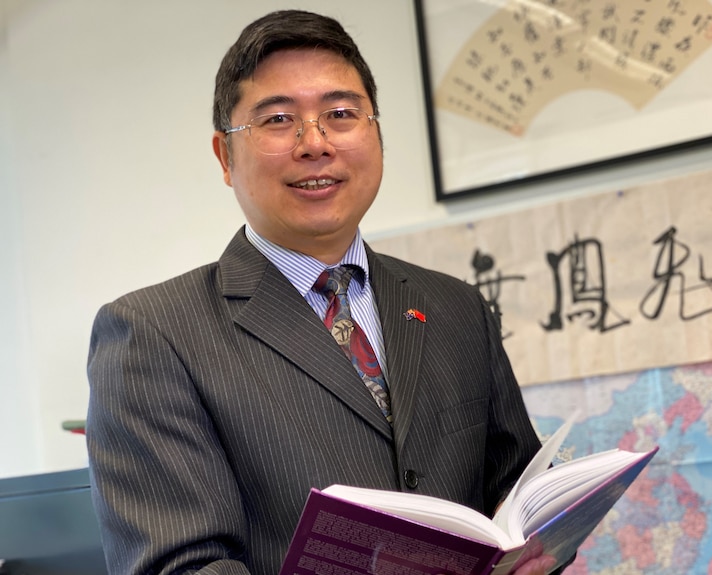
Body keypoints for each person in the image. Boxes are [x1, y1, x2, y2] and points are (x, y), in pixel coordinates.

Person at [86, 9, 554, 575]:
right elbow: (180, 565)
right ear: (224, 157)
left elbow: (514, 492)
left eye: (340, 113)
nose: (316, 143)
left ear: (376, 132)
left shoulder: (457, 308)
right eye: (279, 119)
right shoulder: (152, 334)